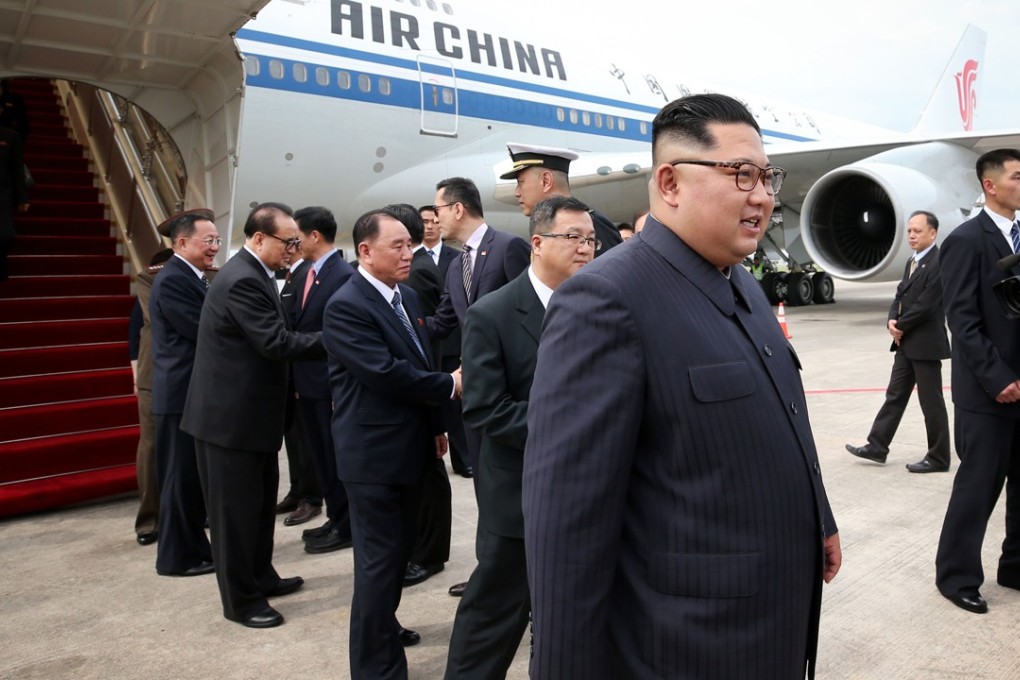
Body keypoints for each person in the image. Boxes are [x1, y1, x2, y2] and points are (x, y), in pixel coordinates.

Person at [522, 93, 841, 679]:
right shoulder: (606, 300)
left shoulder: (742, 284)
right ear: (670, 182)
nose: (764, 195)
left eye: (767, 176)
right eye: (741, 174)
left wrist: (818, 518)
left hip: (772, 620)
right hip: (687, 642)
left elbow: (782, 415)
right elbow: (566, 526)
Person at [445, 196, 595, 680]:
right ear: (537, 242)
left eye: (591, 239)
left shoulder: (598, 305)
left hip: (591, 493)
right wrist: (575, 427)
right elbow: (486, 409)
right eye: (573, 238)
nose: (586, 248)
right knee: (496, 611)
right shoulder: (494, 314)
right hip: (520, 495)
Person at [323, 208, 461, 678]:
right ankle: (375, 666)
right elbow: (385, 374)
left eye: (411, 244)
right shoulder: (346, 305)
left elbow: (422, 357)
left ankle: (381, 625)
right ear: (365, 251)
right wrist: (449, 386)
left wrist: (437, 425)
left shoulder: (406, 296)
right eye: (397, 246)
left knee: (396, 557)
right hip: (375, 459)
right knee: (379, 563)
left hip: (413, 447)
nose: (409, 253)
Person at [181, 202, 324, 628]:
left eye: (297, 241)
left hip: (253, 420)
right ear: (259, 238)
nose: (294, 250)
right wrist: (339, 336)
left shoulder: (258, 273)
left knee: (259, 509)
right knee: (233, 518)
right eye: (288, 242)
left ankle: (261, 576)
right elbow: (275, 342)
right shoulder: (242, 278)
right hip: (228, 423)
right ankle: (241, 601)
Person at [425, 176, 531, 598]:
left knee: (513, 485)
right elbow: (445, 321)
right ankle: (490, 572)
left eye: (437, 208)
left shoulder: (509, 247)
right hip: (476, 392)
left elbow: (531, 307)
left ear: (458, 209)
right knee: (486, 483)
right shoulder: (454, 264)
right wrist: (393, 322)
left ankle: (523, 575)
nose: (432, 217)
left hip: (511, 390)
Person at [935, 148, 1020, 615]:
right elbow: (962, 321)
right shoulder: (967, 240)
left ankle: (1015, 566)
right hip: (989, 393)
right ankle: (956, 576)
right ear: (991, 185)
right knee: (978, 488)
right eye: (1017, 176)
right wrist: (997, 377)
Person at [846, 211, 951, 473]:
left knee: (931, 402)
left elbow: (926, 306)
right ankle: (877, 445)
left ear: (933, 233)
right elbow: (900, 295)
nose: (912, 236)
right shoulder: (912, 262)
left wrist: (900, 326)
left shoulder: (939, 263)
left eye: (917, 231)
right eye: (910, 231)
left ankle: (939, 457)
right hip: (906, 343)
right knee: (895, 396)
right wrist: (892, 320)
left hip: (925, 344)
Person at [149, 209, 219, 578]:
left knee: (189, 480)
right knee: (177, 481)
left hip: (188, 393)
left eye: (216, 241)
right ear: (181, 243)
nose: (214, 248)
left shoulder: (193, 277)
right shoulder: (175, 279)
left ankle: (195, 549)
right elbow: (200, 329)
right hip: (178, 395)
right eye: (208, 241)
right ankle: (176, 558)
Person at [387, 204, 453, 588]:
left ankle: (430, 554)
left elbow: (427, 347)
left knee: (431, 480)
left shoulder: (416, 277)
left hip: (421, 388)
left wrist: (435, 411)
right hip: (417, 392)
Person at [289, 206, 357, 554]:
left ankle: (346, 524)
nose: (293, 241)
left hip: (330, 386)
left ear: (314, 235)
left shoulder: (341, 275)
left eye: (297, 234)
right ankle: (334, 516)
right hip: (309, 386)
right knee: (321, 458)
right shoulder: (307, 274)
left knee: (335, 458)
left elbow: (340, 338)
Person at [419, 203, 472, 479]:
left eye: (433, 220)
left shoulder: (457, 256)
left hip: (453, 343)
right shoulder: (412, 259)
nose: (429, 225)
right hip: (428, 341)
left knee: (457, 407)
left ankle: (464, 460)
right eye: (424, 221)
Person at [502, 142, 622, 256]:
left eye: (520, 182)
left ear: (546, 181)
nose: (516, 192)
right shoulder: (543, 224)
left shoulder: (592, 224)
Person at [129, 247, 174, 546]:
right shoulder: (148, 287)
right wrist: (136, 377)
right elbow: (135, 336)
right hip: (152, 379)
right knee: (152, 447)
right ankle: (150, 520)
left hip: (187, 377)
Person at [276, 255, 324, 528]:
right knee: (294, 440)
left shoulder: (307, 272)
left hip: (305, 371)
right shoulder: (294, 274)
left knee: (306, 442)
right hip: (292, 371)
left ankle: (311, 496)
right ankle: (297, 491)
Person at [0, 124, 28, 281]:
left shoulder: (10, 136)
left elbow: (17, 169)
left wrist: (22, 197)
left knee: (5, 235)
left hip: (3, 194)